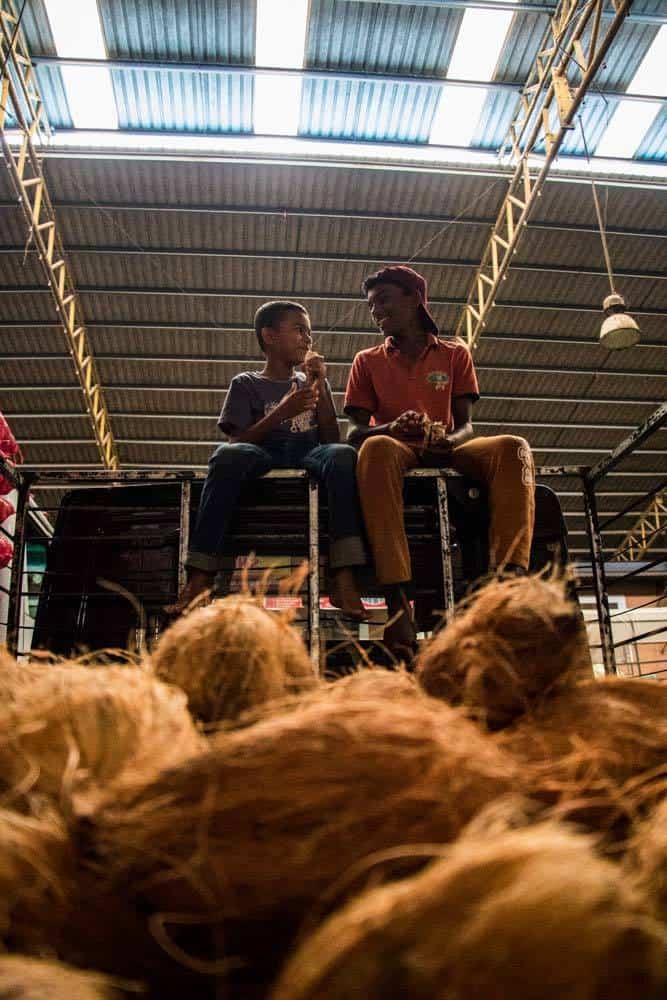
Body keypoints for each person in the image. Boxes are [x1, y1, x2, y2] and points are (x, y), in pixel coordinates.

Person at [344, 265, 535, 657]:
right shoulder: (366, 360)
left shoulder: (454, 354)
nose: (376, 311)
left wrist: (448, 441)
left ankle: (508, 588)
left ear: (415, 299)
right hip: (395, 449)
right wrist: (391, 428)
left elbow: (466, 426)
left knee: (513, 447)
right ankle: (398, 605)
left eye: (383, 301)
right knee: (375, 449)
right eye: (370, 305)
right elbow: (355, 434)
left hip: (446, 447)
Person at [173, 300, 366, 617]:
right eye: (299, 330)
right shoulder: (246, 383)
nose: (308, 339)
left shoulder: (315, 384)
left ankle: (344, 576)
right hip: (262, 452)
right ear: (270, 336)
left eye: (309, 332)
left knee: (344, 455)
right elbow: (238, 442)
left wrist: (320, 385)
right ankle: (200, 576)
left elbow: (331, 440)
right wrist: (281, 413)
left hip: (309, 453)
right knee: (226, 456)